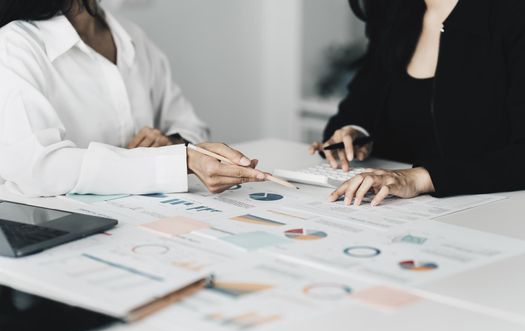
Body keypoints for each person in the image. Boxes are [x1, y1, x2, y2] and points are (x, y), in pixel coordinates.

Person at [0, 0, 266, 197]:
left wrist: (171, 143)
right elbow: (40, 168)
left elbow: (192, 127)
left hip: (141, 221)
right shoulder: (14, 46)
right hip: (54, 237)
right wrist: (177, 160)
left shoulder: (132, 36)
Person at [310, 0, 525, 207]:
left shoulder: (511, 14)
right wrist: (354, 133)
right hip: (392, 210)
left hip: (491, 214)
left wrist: (420, 179)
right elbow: (356, 109)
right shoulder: (397, 12)